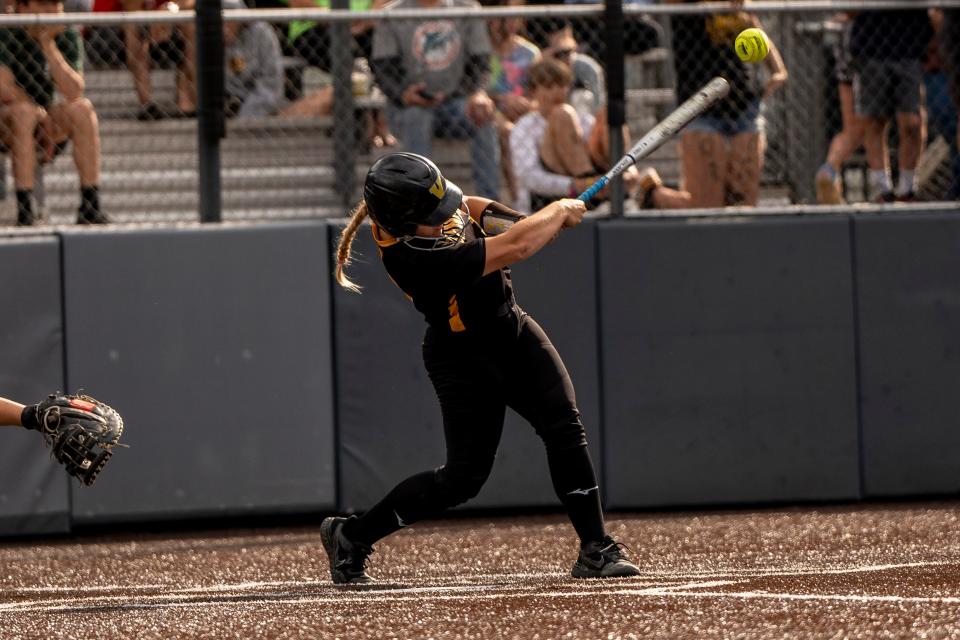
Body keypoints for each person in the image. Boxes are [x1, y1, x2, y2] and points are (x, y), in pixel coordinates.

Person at [326, 151, 641, 584]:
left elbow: (482, 215)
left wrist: (530, 219)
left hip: (512, 330)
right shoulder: (415, 262)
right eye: (432, 215)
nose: (446, 215)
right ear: (401, 224)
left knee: (564, 427)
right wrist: (555, 212)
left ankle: (596, 548)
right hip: (462, 358)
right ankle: (352, 535)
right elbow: (517, 246)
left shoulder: (431, 210)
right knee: (462, 480)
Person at [639, 1, 787, 209]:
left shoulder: (736, 4)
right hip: (701, 106)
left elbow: (753, 26)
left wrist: (777, 69)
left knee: (742, 203)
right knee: (706, 205)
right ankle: (652, 195)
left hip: (742, 103)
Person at [370, 0, 500, 199]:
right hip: (407, 107)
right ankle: (423, 202)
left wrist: (477, 93)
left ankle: (490, 204)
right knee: (417, 117)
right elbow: (383, 68)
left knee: (482, 115)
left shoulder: (467, 10)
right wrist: (403, 93)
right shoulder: (391, 14)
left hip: (456, 102)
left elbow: (481, 64)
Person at [0, 0, 108, 225]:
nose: (53, 12)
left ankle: (90, 203)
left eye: (56, 4)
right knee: (23, 114)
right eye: (44, 4)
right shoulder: (6, 29)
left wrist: (48, 45)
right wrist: (37, 113)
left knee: (82, 109)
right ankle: (25, 208)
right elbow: (4, 88)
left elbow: (74, 90)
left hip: (47, 119)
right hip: (8, 120)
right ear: (24, 8)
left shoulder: (64, 33)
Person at [510, 57, 639, 212]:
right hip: (548, 200)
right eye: (548, 86)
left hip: (593, 184)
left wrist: (630, 172)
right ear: (534, 91)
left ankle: (617, 180)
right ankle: (595, 193)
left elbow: (600, 151)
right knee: (562, 115)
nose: (556, 92)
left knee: (606, 115)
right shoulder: (524, 127)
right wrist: (576, 185)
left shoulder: (582, 119)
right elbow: (530, 177)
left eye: (561, 84)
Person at [276, 0, 395, 146]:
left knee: (385, 51)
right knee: (348, 59)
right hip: (316, 26)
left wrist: (367, 17)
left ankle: (381, 121)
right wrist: (338, 19)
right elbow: (299, 2)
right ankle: (368, 124)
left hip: (363, 24)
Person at [849, 9, 932, 202]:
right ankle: (884, 189)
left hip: (910, 45)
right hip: (871, 47)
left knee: (912, 122)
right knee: (874, 121)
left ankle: (907, 189)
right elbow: (848, 9)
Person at [88, 0, 197, 120]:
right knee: (133, 24)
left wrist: (170, 9)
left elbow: (189, 2)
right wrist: (154, 18)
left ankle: (190, 98)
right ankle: (146, 104)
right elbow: (130, 5)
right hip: (108, 33)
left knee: (190, 25)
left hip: (160, 30)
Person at [222, 0, 333, 117]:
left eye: (228, 21)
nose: (224, 30)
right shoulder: (204, 37)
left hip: (257, 110)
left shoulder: (261, 33)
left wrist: (247, 117)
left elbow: (271, 82)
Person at [484, 0, 539, 202]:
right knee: (507, 131)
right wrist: (501, 98)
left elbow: (539, 92)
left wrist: (526, 104)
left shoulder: (530, 53)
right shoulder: (482, 52)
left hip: (524, 109)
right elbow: (474, 89)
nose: (503, 24)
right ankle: (518, 198)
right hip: (494, 110)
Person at [814, 13, 865, 205]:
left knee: (857, 129)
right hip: (864, 45)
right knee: (864, 126)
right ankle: (829, 171)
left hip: (858, 40)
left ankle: (829, 172)